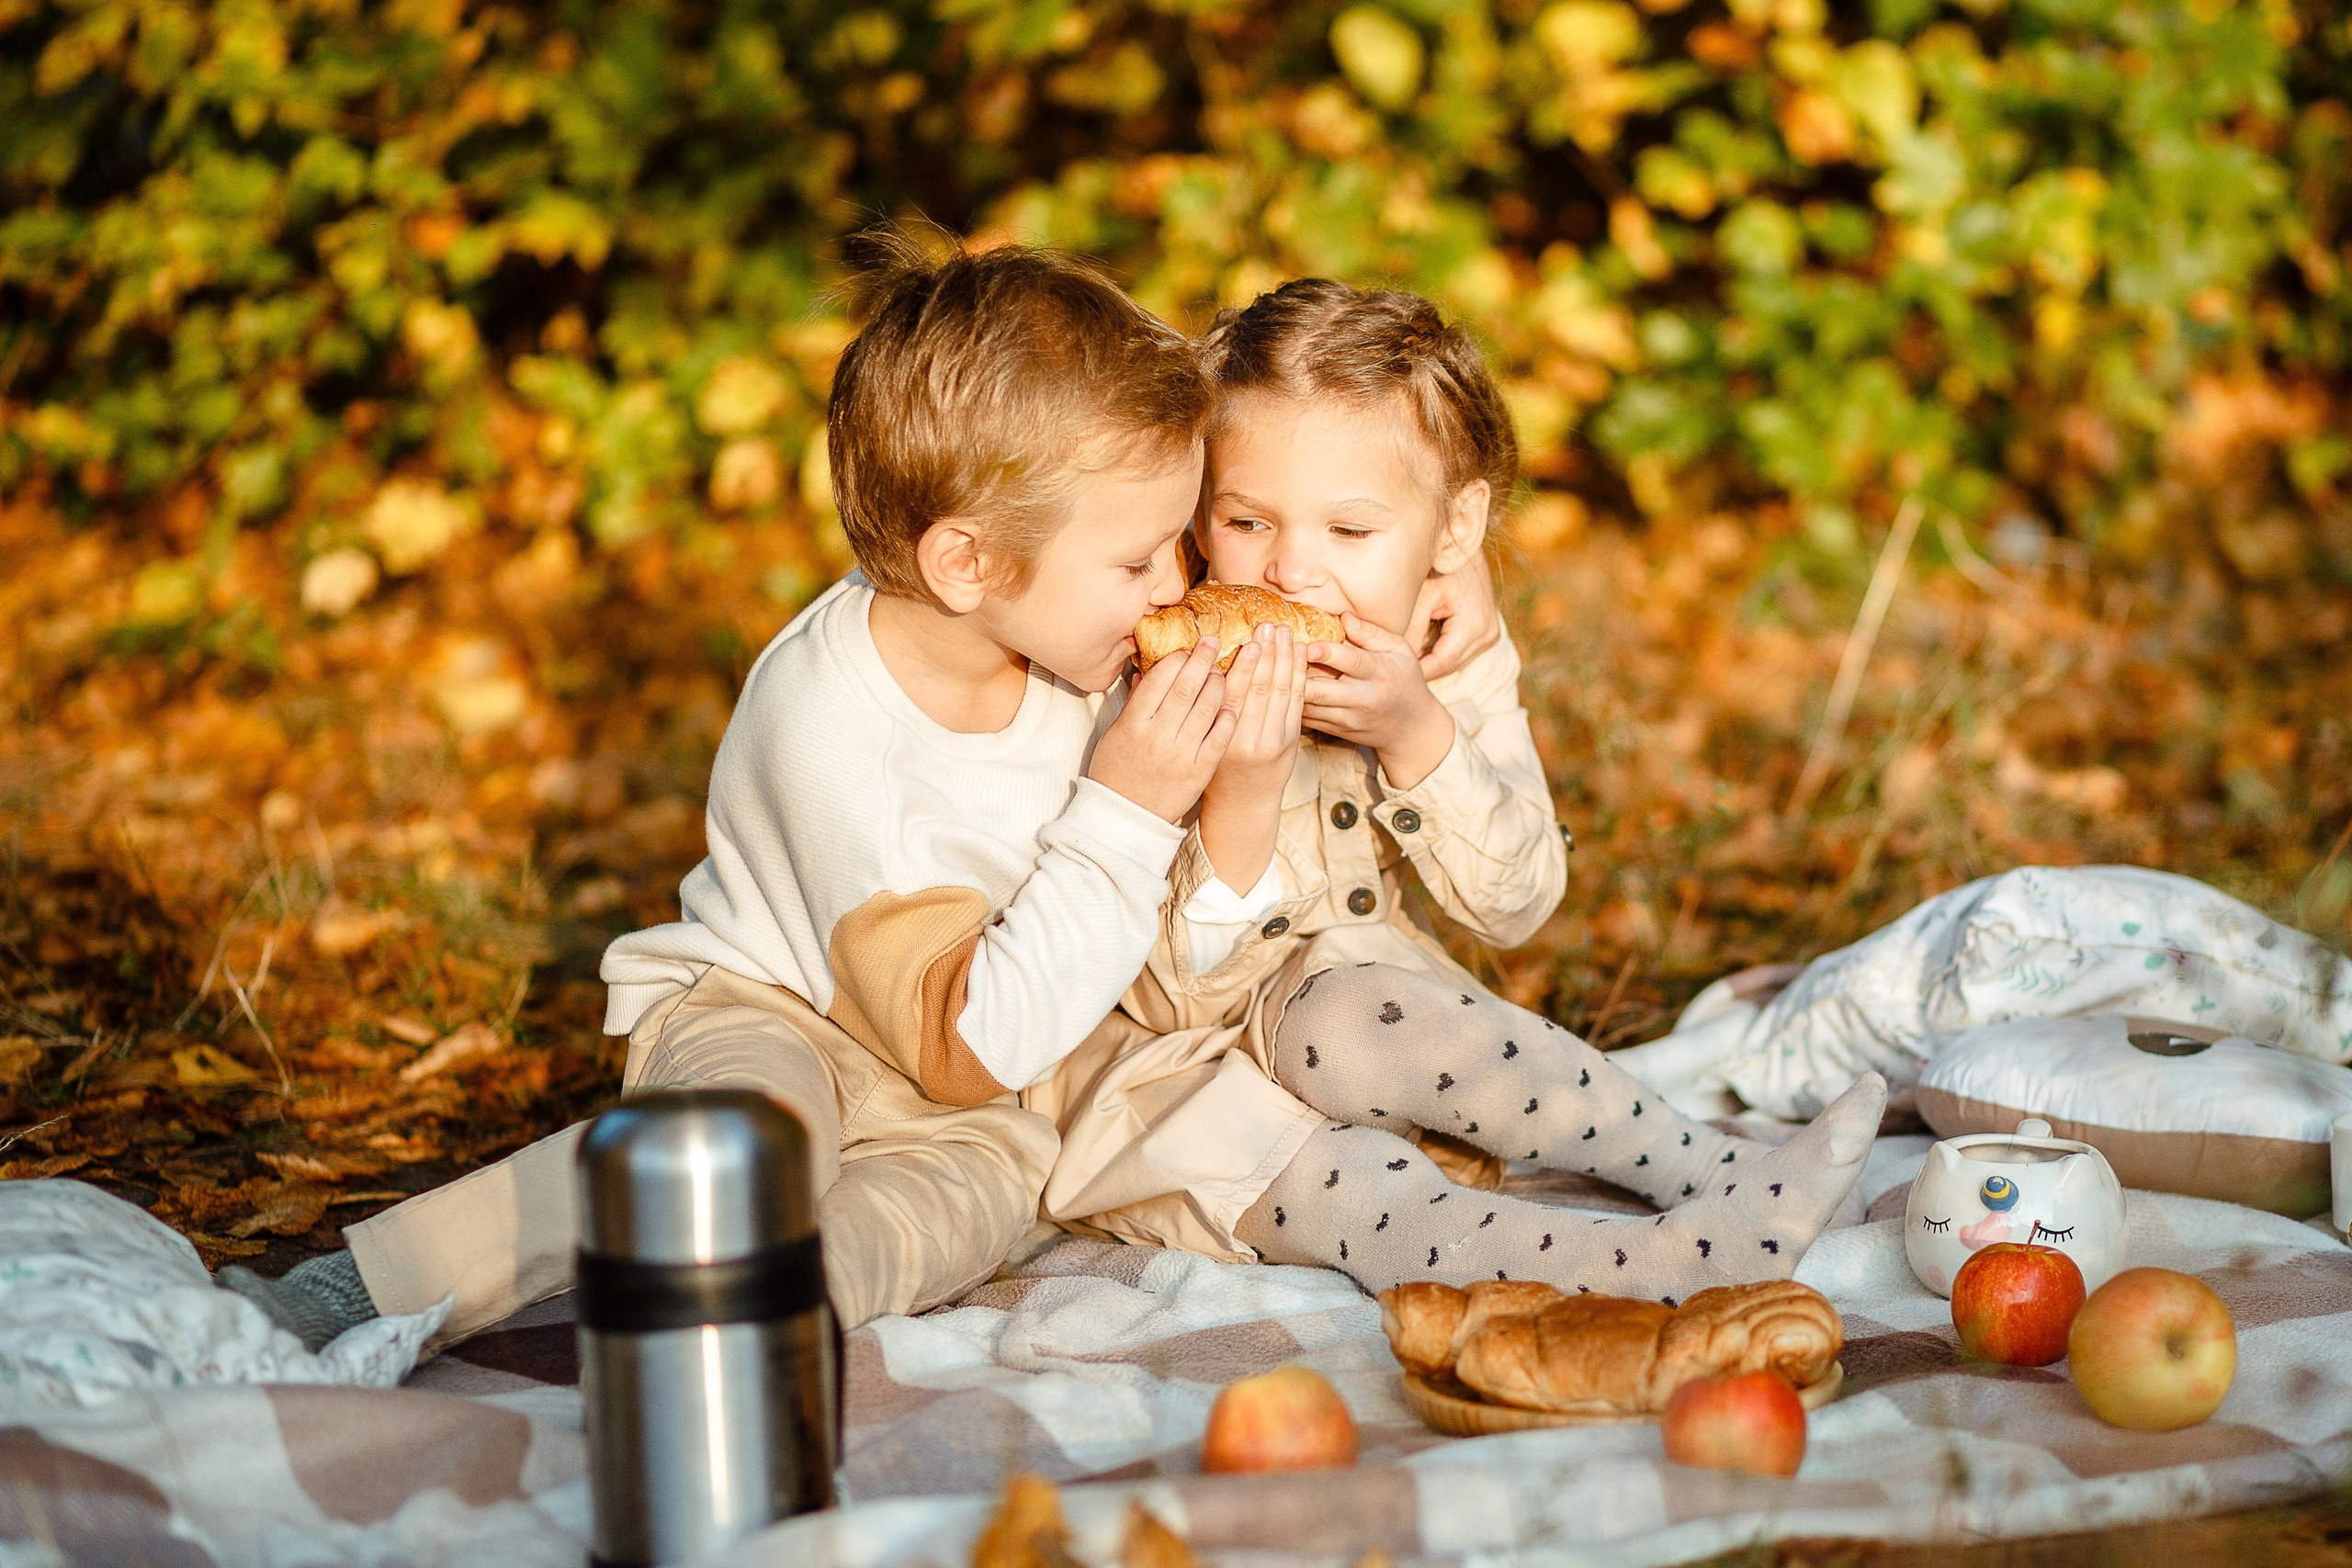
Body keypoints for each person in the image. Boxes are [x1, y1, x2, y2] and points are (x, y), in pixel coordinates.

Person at [226, 243, 1505, 1350]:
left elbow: (1005, 1063)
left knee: (929, 1222)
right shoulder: (834, 739)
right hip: (787, 1015)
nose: (1175, 584)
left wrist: (1448, 581)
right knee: (736, 1155)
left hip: (987, 1110)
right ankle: (366, 1289)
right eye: (1137, 559)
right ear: (967, 563)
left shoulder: (1059, 629)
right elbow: (965, 1038)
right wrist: (1127, 807)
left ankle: (729, 1333)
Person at [1023, 279, 1885, 1304]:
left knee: (1355, 1013)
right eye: (1247, 520)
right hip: (1178, 1095)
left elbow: (1515, 906)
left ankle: (1715, 1170)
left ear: (1454, 529)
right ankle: (1647, 1267)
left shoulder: (1440, 652)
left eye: (1351, 532)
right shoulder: (1148, 674)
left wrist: (1416, 731)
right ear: (1196, 516)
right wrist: (1242, 792)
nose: (1292, 571)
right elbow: (1171, 998)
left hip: (1378, 1044)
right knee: (1361, 1178)